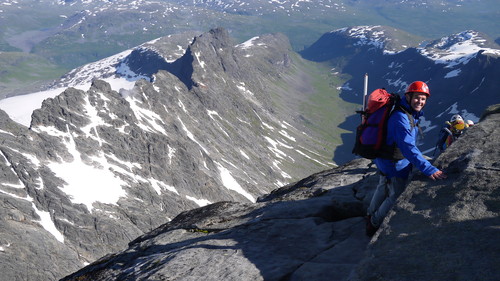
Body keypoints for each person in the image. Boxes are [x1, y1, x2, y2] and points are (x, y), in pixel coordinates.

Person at [366, 81, 447, 237]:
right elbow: (408, 148)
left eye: (423, 99)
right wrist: (429, 169)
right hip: (395, 164)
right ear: (408, 96)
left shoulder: (404, 112)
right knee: (395, 195)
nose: (420, 102)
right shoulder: (401, 117)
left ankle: (370, 214)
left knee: (383, 186)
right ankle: (374, 223)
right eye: (417, 97)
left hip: (385, 159)